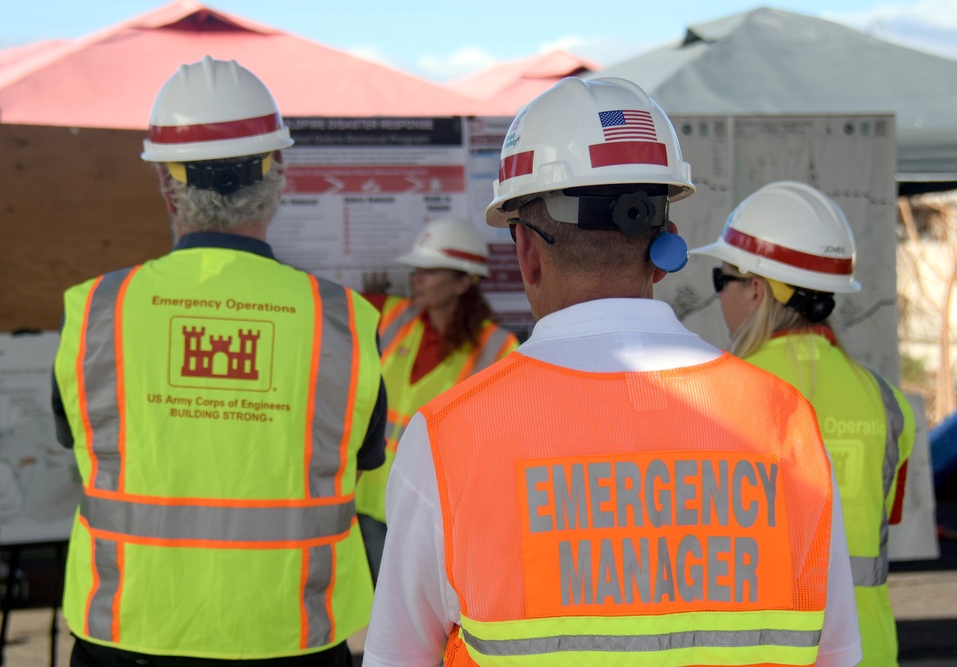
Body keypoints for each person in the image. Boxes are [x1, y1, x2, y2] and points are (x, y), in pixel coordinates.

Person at [362, 77, 862, 667]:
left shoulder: (446, 438)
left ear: (526, 250)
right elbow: (835, 654)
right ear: (665, 243)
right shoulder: (785, 425)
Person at [51, 56, 386, 666]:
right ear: (277, 172)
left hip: (126, 633)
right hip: (287, 635)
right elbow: (361, 458)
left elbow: (78, 437)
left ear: (166, 183)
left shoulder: (97, 311)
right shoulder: (342, 321)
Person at [690, 180, 915, 666]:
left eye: (720, 279)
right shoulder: (887, 402)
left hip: (767, 654)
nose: (718, 298)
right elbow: (877, 521)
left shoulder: (714, 398)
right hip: (869, 652)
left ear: (756, 289)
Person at [354, 216, 519, 582]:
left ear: (463, 281)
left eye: (429, 270)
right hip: (369, 503)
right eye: (416, 269)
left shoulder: (499, 349)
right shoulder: (393, 316)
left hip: (434, 513)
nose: (417, 279)